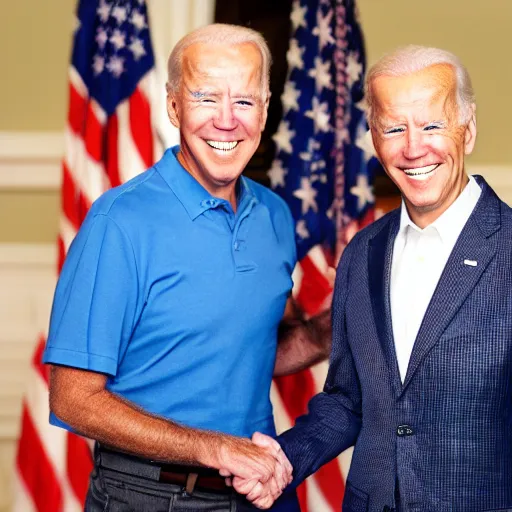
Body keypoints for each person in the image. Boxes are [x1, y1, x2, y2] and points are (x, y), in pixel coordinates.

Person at [44, 23, 332, 512]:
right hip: (151, 494)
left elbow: (259, 347)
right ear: (174, 105)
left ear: (264, 110)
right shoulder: (119, 221)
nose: (226, 120)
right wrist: (216, 448)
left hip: (263, 490)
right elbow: (72, 398)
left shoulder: (275, 216)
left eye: (244, 101)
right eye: (205, 98)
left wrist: (342, 325)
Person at [242, 45, 512, 511]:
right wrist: (280, 460)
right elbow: (348, 400)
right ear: (373, 136)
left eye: (432, 125)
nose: (413, 147)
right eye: (394, 128)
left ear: (467, 130)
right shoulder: (362, 254)